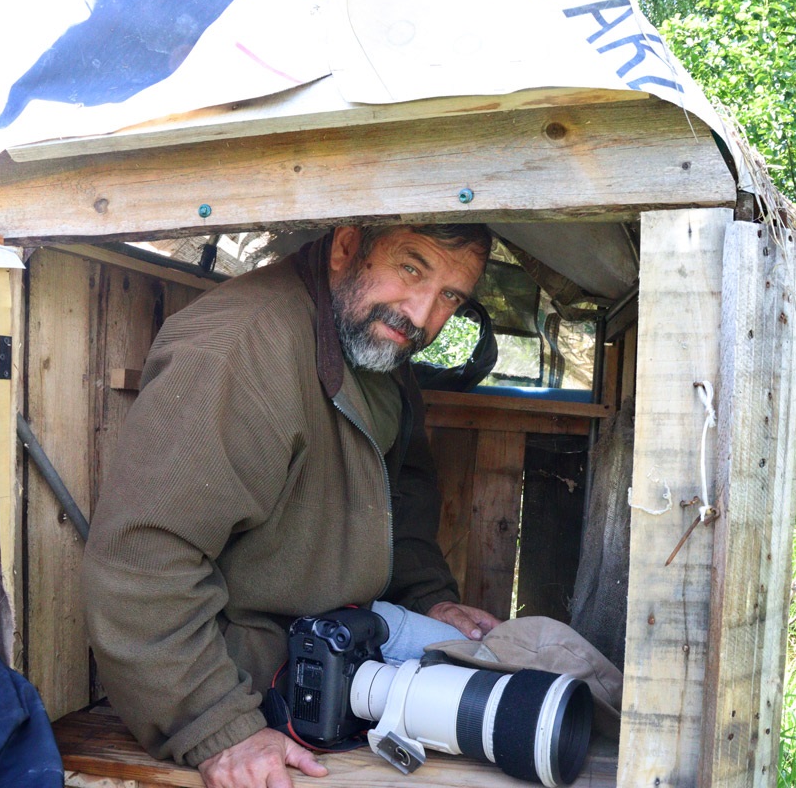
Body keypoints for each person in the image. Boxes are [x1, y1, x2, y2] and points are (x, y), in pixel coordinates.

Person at [83, 224, 501, 788]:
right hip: (245, 687)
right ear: (347, 248)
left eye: (451, 296)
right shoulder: (239, 350)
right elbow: (145, 557)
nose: (424, 315)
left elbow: (399, 495)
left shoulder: (374, 340)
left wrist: (428, 599)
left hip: (344, 664)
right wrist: (218, 726)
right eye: (411, 268)